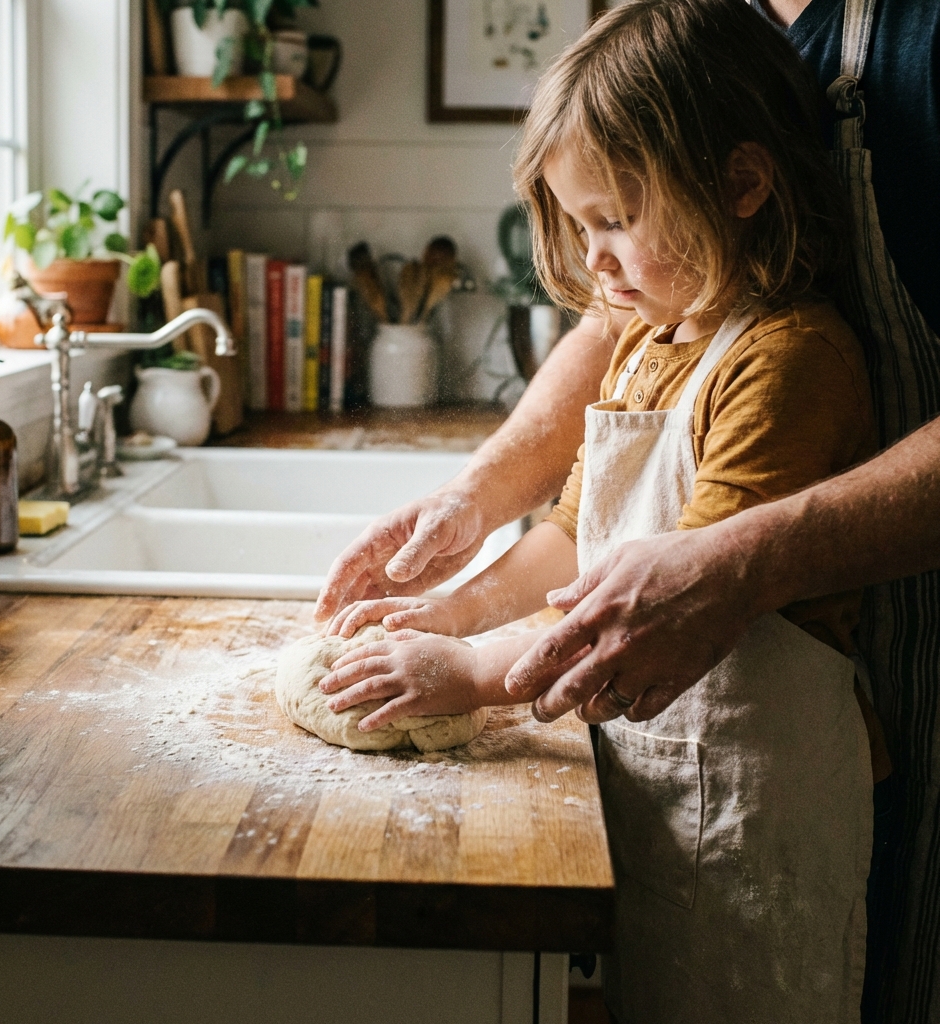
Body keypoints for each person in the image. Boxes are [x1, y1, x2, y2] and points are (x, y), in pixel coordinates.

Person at [315, 1, 940, 1019]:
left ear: (741, 183)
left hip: (758, 815)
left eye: (613, 220)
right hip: (666, 780)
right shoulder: (655, 337)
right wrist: (454, 608)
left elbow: (666, 601)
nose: (593, 264)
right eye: (576, 224)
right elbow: (572, 533)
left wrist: (474, 676)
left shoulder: (788, 362)